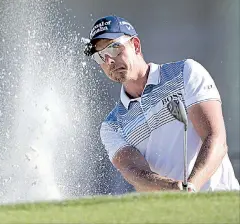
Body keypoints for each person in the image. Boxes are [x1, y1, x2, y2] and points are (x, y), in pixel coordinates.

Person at [84, 15, 240, 192]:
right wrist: (173, 189)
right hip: (172, 211)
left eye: (113, 49)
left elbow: (216, 140)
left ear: (135, 45)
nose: (108, 61)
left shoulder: (185, 73)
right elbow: (134, 171)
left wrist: (192, 187)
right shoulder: (112, 126)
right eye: (99, 56)